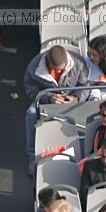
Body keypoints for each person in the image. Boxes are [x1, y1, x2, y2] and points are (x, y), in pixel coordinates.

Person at [23, 44, 88, 175]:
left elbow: (85, 86)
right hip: (46, 102)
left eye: (61, 70)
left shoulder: (79, 63)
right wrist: (48, 98)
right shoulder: (34, 67)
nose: (59, 72)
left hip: (71, 102)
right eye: (56, 70)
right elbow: (31, 90)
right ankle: (32, 156)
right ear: (48, 62)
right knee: (30, 114)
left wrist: (76, 98)